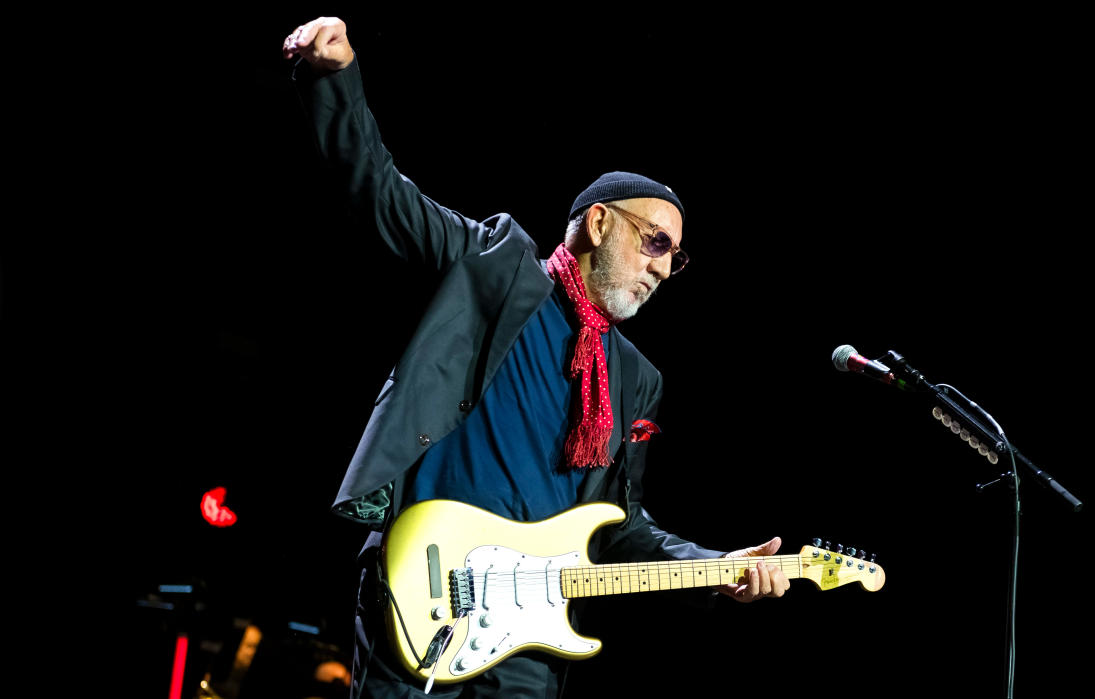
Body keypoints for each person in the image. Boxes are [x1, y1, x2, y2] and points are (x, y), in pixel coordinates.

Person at [282, 17, 790, 698]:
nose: (664, 269)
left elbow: (621, 526)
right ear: (600, 221)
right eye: (655, 243)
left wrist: (716, 566)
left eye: (676, 257)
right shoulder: (496, 267)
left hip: (527, 626)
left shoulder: (635, 380)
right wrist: (333, 79)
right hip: (423, 585)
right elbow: (381, 195)